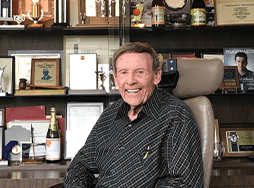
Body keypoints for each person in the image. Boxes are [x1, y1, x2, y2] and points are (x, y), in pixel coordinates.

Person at [63, 42, 204, 188]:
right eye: (124, 72)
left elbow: (184, 183)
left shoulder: (175, 115)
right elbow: (80, 165)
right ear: (116, 79)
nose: (131, 81)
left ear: (157, 75)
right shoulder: (111, 114)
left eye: (140, 72)